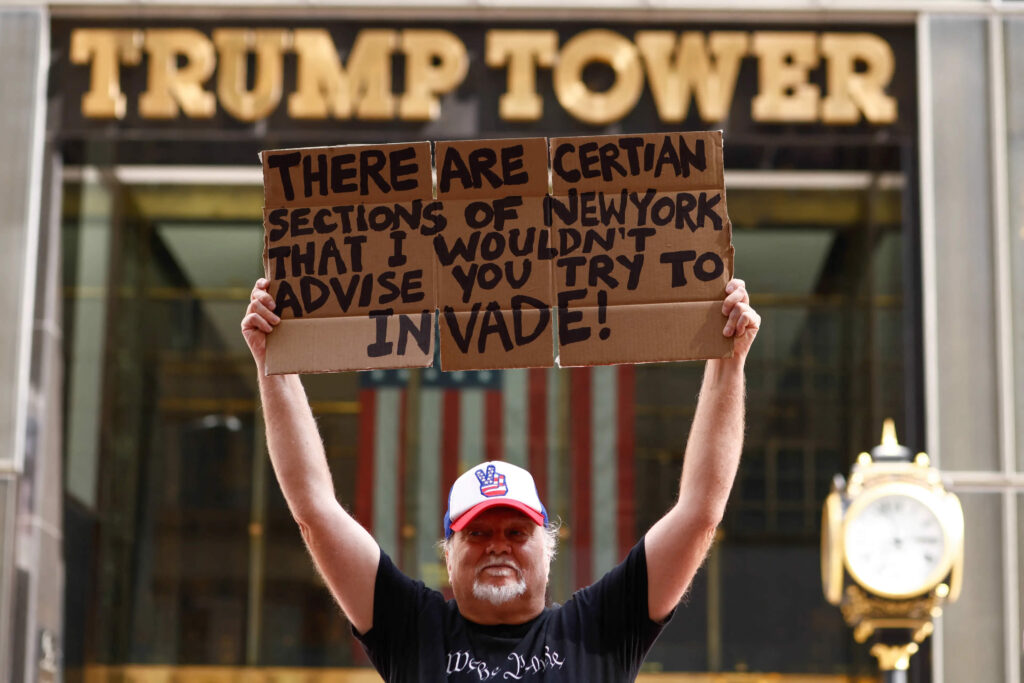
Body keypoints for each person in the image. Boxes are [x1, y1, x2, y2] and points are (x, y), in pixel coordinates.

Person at [241, 277, 760, 682]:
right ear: (448, 551)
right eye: (478, 533)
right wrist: (274, 362)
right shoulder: (414, 630)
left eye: (516, 532)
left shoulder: (598, 628)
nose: (498, 547)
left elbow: (699, 514)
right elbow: (315, 511)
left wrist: (729, 363)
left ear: (547, 545)